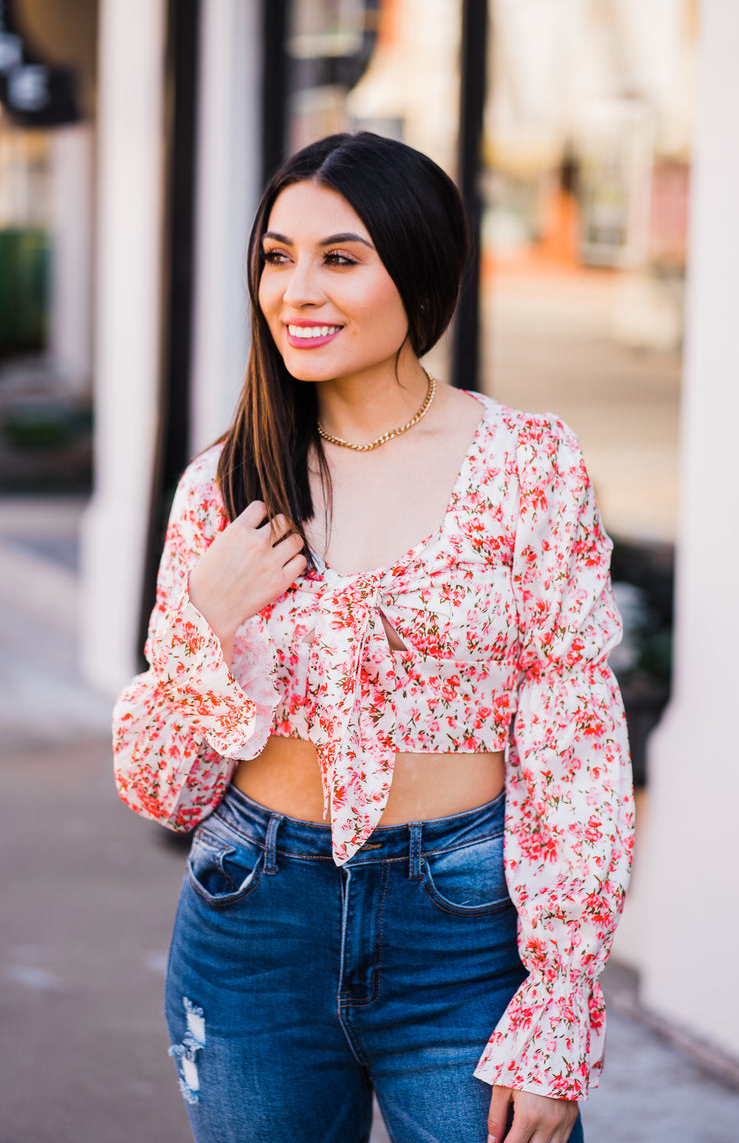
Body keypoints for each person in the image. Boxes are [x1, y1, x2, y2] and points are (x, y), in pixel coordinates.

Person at [112, 132, 634, 1143]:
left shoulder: (525, 465)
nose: (296, 290)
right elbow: (159, 790)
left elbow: (574, 741)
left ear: (418, 270)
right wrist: (202, 624)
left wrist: (558, 1000)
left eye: (339, 258)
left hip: (465, 931)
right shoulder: (225, 482)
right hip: (251, 919)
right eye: (276, 257)